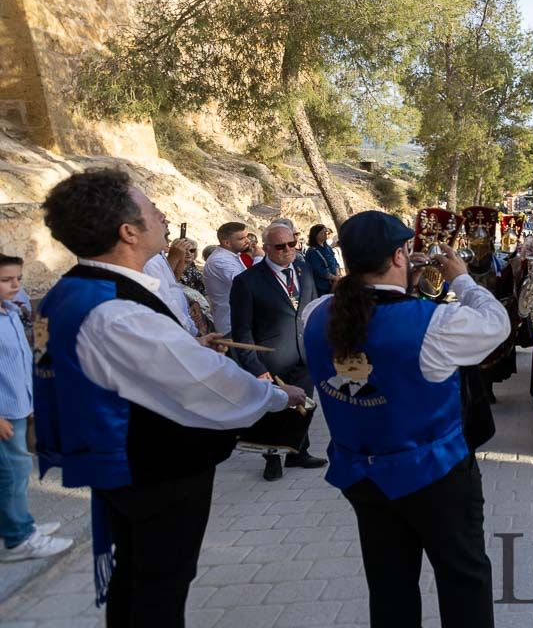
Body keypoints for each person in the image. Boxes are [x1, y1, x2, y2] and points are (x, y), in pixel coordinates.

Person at [35, 169, 305, 626]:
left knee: (136, 576)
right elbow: (207, 386)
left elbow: (142, 362)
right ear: (128, 231)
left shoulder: (75, 290)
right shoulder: (117, 312)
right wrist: (278, 395)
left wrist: (185, 347)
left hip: (119, 458)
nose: (163, 215)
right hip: (154, 468)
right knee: (161, 583)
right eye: (151, 209)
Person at [302, 211, 510, 627]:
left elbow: (357, 318)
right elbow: (497, 324)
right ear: (400, 255)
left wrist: (402, 288)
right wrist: (461, 278)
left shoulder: (313, 314)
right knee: (463, 578)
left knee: (389, 585)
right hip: (435, 473)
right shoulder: (435, 323)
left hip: (361, 475)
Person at [230, 223, 325, 481]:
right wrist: (255, 367)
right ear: (267, 248)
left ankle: (298, 452)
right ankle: (272, 457)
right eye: (280, 247)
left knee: (304, 404)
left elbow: (313, 310)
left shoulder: (304, 270)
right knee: (274, 410)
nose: (287, 250)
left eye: (292, 244)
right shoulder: (247, 281)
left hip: (303, 354)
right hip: (271, 358)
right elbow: (242, 330)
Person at [0, 253, 73, 562]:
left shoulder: (10, 312)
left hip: (16, 405)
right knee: (13, 471)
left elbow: (17, 360)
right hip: (4, 413)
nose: (15, 285)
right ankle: (19, 538)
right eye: (6, 280)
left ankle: (20, 523)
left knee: (16, 471)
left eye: (18, 279)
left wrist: (29, 400)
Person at [460, 207, 518, 404]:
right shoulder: (461, 265)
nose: (478, 250)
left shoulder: (501, 266)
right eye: (474, 245)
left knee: (490, 356)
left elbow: (508, 293)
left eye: (482, 245)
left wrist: (503, 306)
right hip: (467, 316)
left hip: (491, 315)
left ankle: (487, 390)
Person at [203, 221, 256, 334]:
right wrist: (259, 258)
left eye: (247, 236)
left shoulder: (230, 256)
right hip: (232, 326)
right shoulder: (220, 261)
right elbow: (249, 285)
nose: (248, 241)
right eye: (242, 238)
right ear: (227, 242)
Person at [305, 224, 341, 296]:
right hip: (323, 287)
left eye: (326, 232)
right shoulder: (312, 251)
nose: (326, 234)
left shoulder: (328, 248)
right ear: (315, 235)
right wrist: (335, 278)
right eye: (322, 232)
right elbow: (320, 271)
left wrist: (337, 276)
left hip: (335, 282)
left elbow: (335, 262)